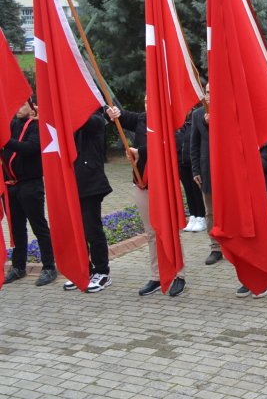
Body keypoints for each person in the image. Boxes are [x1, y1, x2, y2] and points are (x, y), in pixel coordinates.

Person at [108, 101, 187, 297]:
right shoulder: (142, 118)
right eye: (144, 100)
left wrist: (139, 152)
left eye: (150, 99)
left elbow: (173, 143)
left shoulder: (171, 121)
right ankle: (156, 276)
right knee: (151, 233)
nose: (146, 103)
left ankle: (178, 274)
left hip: (164, 185)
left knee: (168, 231)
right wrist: (115, 112)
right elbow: (124, 116)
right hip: (142, 183)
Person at [2, 98, 58, 286]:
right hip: (11, 185)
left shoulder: (36, 126)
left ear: (31, 107)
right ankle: (19, 266)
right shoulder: (10, 124)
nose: (18, 108)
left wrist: (5, 140)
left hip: (30, 185)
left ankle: (49, 267)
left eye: (22, 105)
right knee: (17, 229)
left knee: (39, 226)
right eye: (16, 104)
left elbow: (28, 148)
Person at [63, 107, 114, 293]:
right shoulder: (72, 122)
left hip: (91, 184)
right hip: (72, 184)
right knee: (78, 231)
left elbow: (85, 121)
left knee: (92, 230)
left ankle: (102, 272)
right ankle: (85, 269)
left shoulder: (96, 119)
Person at [190, 84, 222, 266]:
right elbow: (194, 145)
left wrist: (214, 122)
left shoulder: (227, 111)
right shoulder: (197, 114)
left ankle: (233, 243)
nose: (210, 95)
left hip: (226, 170)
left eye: (213, 91)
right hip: (206, 170)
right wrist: (195, 170)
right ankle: (215, 248)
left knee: (229, 209)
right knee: (210, 212)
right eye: (207, 92)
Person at [176, 110, 206, 232]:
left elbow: (195, 143)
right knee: (188, 190)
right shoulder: (179, 126)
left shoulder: (194, 120)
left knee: (196, 191)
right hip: (182, 163)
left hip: (193, 163)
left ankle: (201, 216)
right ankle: (193, 215)